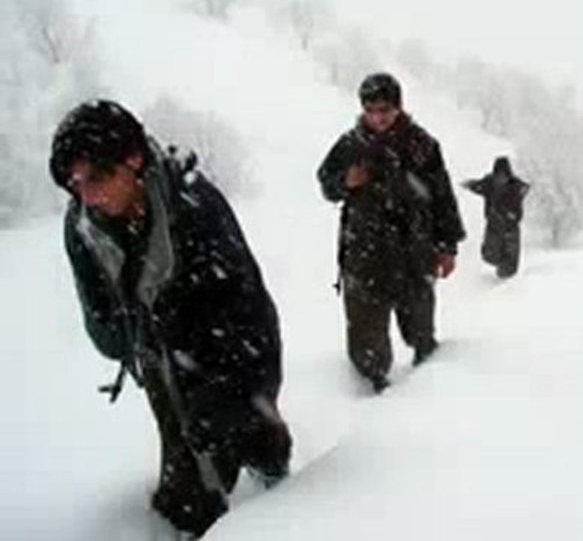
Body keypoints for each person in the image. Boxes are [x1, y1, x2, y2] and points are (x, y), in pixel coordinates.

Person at [49, 100, 292, 539]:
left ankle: (287, 497)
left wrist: (232, 387)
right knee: (187, 483)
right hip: (157, 353)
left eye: (97, 178)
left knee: (253, 434)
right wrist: (132, 338)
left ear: (133, 161)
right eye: (75, 183)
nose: (87, 196)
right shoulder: (82, 226)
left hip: (226, 344)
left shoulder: (193, 205)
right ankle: (194, 520)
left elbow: (249, 309)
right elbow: (99, 311)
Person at [317, 72, 466, 393]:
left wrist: (448, 246)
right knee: (366, 335)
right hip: (364, 252)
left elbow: (442, 197)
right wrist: (345, 181)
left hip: (415, 250)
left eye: (385, 109)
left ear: (398, 107)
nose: (378, 117)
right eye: (371, 110)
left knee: (421, 329)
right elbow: (326, 183)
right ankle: (371, 393)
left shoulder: (422, 145)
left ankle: (434, 389)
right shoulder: (350, 144)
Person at [463, 156, 530, 278]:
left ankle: (507, 282)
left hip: (510, 226)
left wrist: (523, 190)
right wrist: (469, 185)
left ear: (508, 175)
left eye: (503, 176)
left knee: (510, 263)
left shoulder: (515, 186)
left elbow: (524, 187)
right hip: (493, 225)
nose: (500, 179)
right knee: (489, 256)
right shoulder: (489, 184)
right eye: (498, 176)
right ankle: (499, 264)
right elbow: (478, 185)